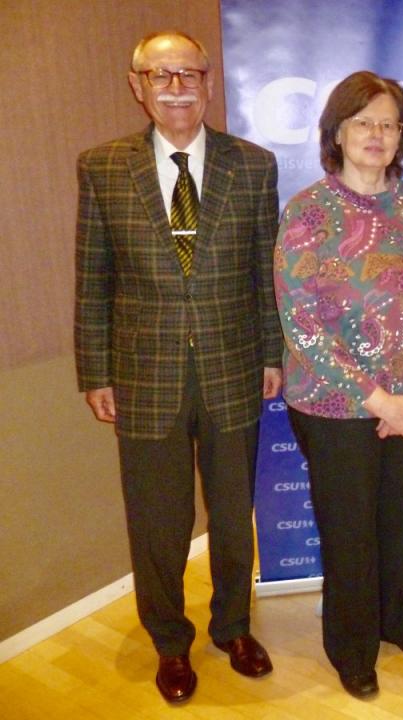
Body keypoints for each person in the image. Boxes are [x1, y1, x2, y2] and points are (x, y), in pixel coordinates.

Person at [74, 31, 280, 704]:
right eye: (160, 75)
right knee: (157, 521)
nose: (177, 87)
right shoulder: (103, 167)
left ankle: (234, 627)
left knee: (233, 513)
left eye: (189, 73)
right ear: (138, 86)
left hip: (234, 366)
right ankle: (169, 640)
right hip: (143, 374)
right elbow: (93, 277)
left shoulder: (254, 166)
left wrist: (272, 353)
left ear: (209, 83)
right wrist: (95, 372)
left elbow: (264, 271)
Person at [274, 70, 403, 700]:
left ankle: (394, 618)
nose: (376, 134)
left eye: (389, 123)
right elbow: (301, 324)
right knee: (350, 529)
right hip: (334, 406)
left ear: (402, 135)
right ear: (337, 131)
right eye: (363, 122)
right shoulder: (308, 212)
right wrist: (378, 399)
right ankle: (351, 646)